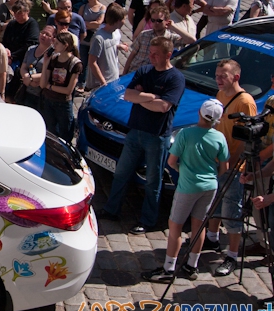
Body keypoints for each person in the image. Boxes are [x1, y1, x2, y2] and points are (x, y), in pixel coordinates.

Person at [98, 37, 186, 234]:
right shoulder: (145, 71)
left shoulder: (175, 79)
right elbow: (128, 95)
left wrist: (141, 98)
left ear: (168, 55)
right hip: (135, 131)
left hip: (156, 136)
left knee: (153, 181)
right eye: (150, 53)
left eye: (156, 54)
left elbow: (164, 107)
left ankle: (148, 220)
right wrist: (151, 98)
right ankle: (112, 210)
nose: (151, 57)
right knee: (121, 173)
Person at [143, 99, 230, 282]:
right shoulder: (220, 137)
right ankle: (192, 265)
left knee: (176, 226)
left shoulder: (185, 134)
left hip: (188, 186)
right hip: (210, 187)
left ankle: (168, 268)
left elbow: (171, 161)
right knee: (199, 226)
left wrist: (182, 169)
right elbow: (224, 168)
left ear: (200, 112)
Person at [201, 60, 258, 276]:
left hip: (233, 166)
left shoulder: (245, 102)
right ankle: (213, 239)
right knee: (214, 203)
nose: (218, 79)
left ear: (236, 77)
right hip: (217, 162)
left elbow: (246, 139)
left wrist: (231, 164)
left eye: (223, 75)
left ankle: (232, 255)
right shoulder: (220, 94)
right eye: (217, 75)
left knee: (231, 211)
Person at [40, 31, 82, 143]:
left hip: (62, 104)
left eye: (57, 43)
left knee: (65, 136)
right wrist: (45, 64)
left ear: (65, 45)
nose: (54, 46)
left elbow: (68, 90)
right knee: (51, 133)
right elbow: (42, 84)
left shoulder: (75, 64)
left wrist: (50, 87)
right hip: (49, 100)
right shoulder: (54, 59)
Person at [85, 3, 126, 91]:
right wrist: (103, 83)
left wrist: (119, 46)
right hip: (101, 84)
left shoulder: (114, 33)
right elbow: (92, 62)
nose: (125, 21)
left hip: (113, 79)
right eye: (123, 19)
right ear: (117, 21)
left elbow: (109, 47)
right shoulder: (98, 38)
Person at [17, 25, 55, 110]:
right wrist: (27, 78)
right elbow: (23, 67)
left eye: (48, 34)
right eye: (42, 33)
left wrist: (31, 78)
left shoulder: (54, 55)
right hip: (27, 91)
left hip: (42, 95)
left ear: (53, 39)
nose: (43, 35)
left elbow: (50, 73)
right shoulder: (31, 49)